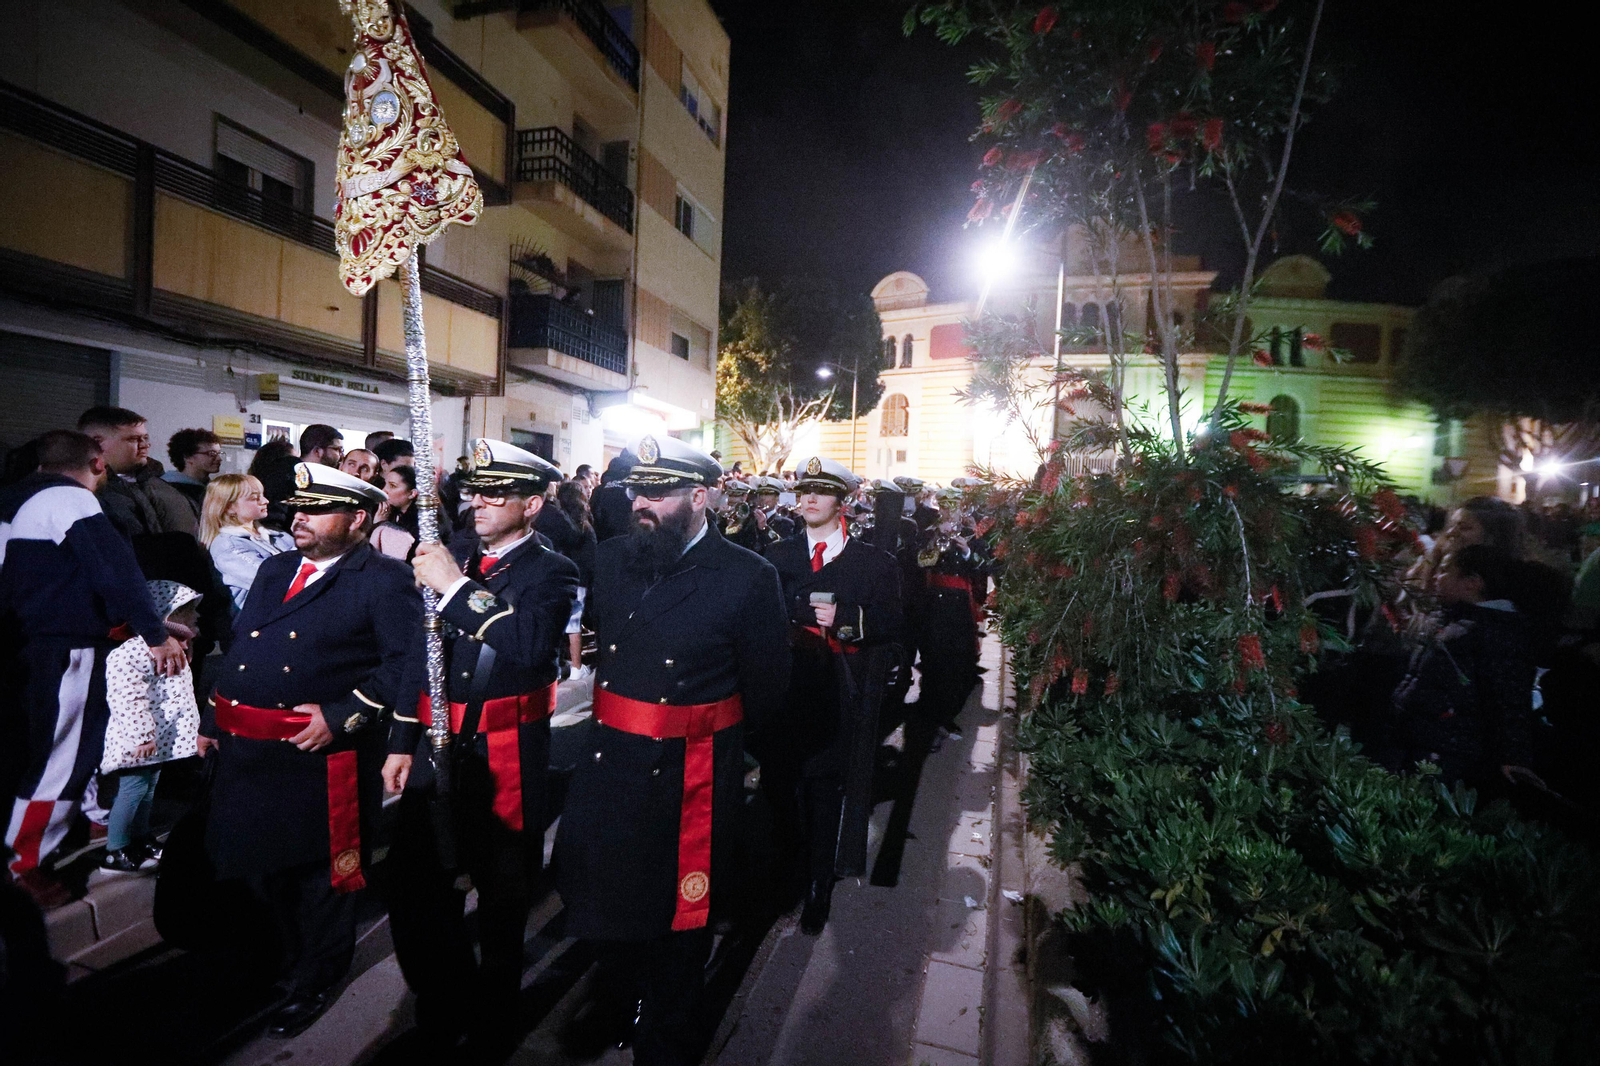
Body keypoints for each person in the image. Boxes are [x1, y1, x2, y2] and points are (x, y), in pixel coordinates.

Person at [555, 435, 789, 1065]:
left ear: (700, 495)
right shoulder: (612, 559)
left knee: (679, 926)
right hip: (609, 766)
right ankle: (619, 998)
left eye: (657, 493)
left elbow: (767, 690)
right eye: (636, 490)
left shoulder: (747, 576)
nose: (642, 504)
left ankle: (663, 1037)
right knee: (605, 907)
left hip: (689, 777)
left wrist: (720, 747)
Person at [200, 462, 418, 1037]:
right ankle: (270, 966)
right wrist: (212, 715)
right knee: (256, 870)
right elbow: (244, 646)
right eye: (299, 506)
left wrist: (345, 714)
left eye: (318, 508)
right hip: (248, 748)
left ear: (359, 519)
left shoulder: (382, 579)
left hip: (318, 758)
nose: (299, 516)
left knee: (320, 879)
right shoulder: (274, 570)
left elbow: (404, 665)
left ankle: (315, 977)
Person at [381, 440, 578, 1055]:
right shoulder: (455, 552)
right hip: (435, 744)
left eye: (497, 493)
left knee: (502, 894)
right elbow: (421, 651)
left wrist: (453, 586)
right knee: (415, 885)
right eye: (475, 491)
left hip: (506, 749)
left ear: (534, 505)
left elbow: (526, 644)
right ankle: (445, 995)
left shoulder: (553, 570)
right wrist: (401, 739)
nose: (480, 501)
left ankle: (495, 1013)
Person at [0, 431, 183, 904]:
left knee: (41, 754)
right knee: (60, 762)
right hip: (66, 650)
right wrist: (155, 633)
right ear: (98, 463)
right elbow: (113, 570)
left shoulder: (22, 500)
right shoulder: (70, 498)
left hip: (32, 647)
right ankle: (23, 864)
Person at [762, 457, 901, 933]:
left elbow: (892, 624)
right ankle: (784, 873)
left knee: (823, 789)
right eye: (804, 491)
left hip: (840, 691)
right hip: (787, 688)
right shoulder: (776, 557)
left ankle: (819, 882)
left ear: (843, 502)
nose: (809, 499)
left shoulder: (874, 563)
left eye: (821, 492)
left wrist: (848, 617)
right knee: (780, 784)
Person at [1391, 545, 1538, 789]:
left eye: (1445, 570)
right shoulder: (1457, 622)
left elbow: (1509, 697)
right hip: (1425, 741)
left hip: (1450, 753)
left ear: (1472, 582)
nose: (1436, 577)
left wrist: (1514, 756)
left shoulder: (1496, 632)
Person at [99, 580, 203, 873]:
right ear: (167, 614)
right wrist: (141, 735)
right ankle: (116, 849)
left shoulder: (173, 648)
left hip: (157, 738)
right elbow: (126, 695)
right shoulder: (133, 651)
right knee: (132, 790)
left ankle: (141, 838)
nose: (196, 617)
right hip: (136, 738)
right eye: (188, 611)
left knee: (147, 789)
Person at [77, 406, 196, 537]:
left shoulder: (165, 488)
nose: (144, 445)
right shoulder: (83, 494)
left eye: (145, 438)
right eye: (134, 439)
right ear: (97, 442)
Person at [200, 474, 295, 612]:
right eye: (255, 498)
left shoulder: (278, 535)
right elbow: (270, 580)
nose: (265, 501)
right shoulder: (227, 546)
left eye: (263, 495)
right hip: (260, 622)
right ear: (229, 507)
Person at [555, 479, 598, 676]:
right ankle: (576, 666)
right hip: (580, 578)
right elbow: (591, 556)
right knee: (574, 624)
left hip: (562, 577)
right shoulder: (584, 523)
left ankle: (563, 663)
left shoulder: (561, 521)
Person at [162, 428, 223, 519]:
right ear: (187, 457)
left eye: (219, 453)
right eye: (212, 453)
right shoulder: (167, 490)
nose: (219, 459)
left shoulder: (214, 488)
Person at [590, 451, 636, 543]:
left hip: (602, 540)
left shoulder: (599, 490)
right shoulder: (631, 489)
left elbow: (592, 514)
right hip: (627, 538)